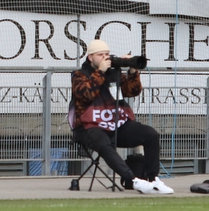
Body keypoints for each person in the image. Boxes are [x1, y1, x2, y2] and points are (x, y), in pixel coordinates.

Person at [70, 38, 174, 194]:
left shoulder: (113, 74)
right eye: (100, 55)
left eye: (107, 54)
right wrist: (100, 72)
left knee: (150, 134)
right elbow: (86, 94)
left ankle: (153, 180)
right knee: (103, 142)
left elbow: (132, 91)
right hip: (89, 127)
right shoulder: (79, 75)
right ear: (90, 57)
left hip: (115, 123)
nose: (105, 58)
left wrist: (132, 70)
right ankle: (133, 180)